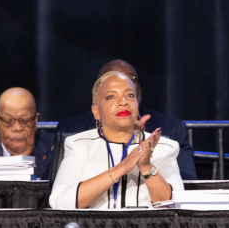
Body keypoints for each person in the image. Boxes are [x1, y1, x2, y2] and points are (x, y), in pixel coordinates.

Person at [49, 71, 185, 208]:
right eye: (111, 97)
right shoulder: (79, 145)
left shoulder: (164, 148)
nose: (123, 102)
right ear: (96, 111)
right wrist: (121, 168)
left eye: (130, 95)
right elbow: (59, 202)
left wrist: (146, 167)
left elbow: (178, 206)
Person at [54, 59, 197, 179]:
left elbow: (188, 184)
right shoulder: (72, 131)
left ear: (138, 93)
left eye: (129, 91)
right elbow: (54, 185)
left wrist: (144, 149)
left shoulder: (171, 129)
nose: (122, 101)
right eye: (112, 94)